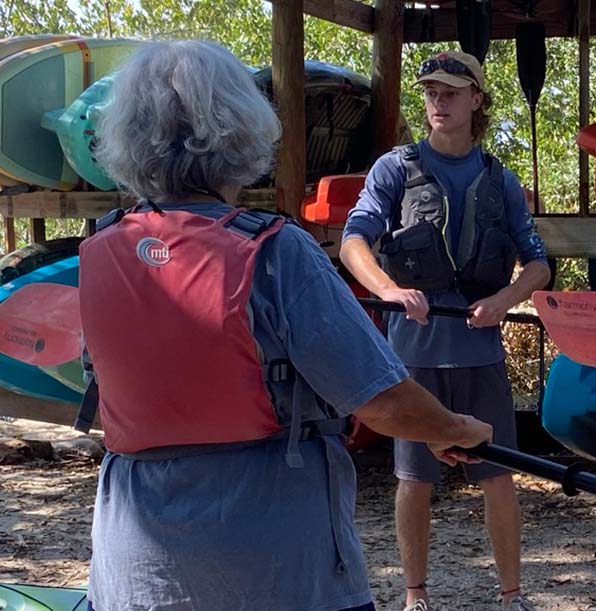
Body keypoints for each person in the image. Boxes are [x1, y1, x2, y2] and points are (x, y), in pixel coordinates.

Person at [78, 40, 493, 611]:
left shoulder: (101, 249)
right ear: (239, 128)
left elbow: (104, 403)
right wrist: (455, 428)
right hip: (273, 562)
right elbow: (380, 400)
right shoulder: (274, 249)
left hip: (136, 569)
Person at [340, 50, 550, 611]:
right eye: (432, 91)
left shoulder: (499, 179)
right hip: (413, 355)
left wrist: (505, 299)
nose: (439, 101)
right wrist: (386, 288)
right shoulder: (394, 169)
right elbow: (353, 241)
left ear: (477, 100)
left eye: (452, 92)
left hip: (479, 352)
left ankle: (511, 594)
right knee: (415, 477)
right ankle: (415, 596)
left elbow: (538, 262)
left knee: (499, 474)